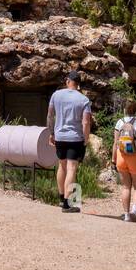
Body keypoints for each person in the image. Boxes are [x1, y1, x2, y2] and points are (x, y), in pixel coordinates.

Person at [47, 69, 91, 213]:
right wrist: (86, 139)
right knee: (72, 168)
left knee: (62, 166)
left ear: (67, 81)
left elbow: (50, 116)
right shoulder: (84, 100)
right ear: (78, 84)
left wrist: (51, 133)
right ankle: (68, 204)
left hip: (59, 136)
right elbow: (85, 123)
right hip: (75, 138)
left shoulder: (56, 95)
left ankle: (61, 199)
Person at [112, 95, 136, 223]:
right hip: (135, 156)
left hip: (121, 156)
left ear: (124, 109)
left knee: (125, 187)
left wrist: (113, 159)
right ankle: (134, 210)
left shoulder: (120, 122)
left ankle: (126, 215)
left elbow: (115, 142)